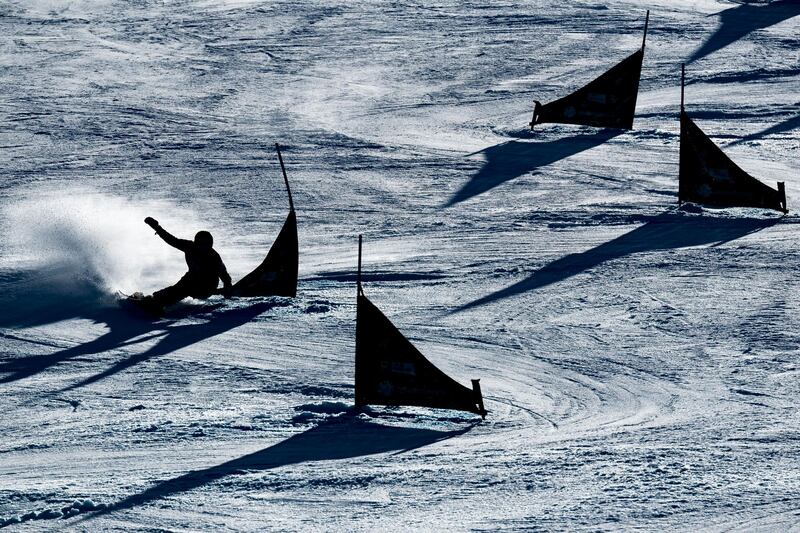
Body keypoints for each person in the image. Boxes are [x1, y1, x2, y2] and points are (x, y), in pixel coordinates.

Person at [139, 217, 233, 311]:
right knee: (177, 289)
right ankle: (156, 299)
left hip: (206, 286)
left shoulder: (214, 257)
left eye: (206, 245)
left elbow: (224, 275)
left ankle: (159, 304)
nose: (203, 248)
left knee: (182, 290)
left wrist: (227, 288)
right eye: (201, 244)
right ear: (196, 243)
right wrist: (157, 227)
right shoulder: (190, 247)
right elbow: (172, 240)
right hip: (191, 279)